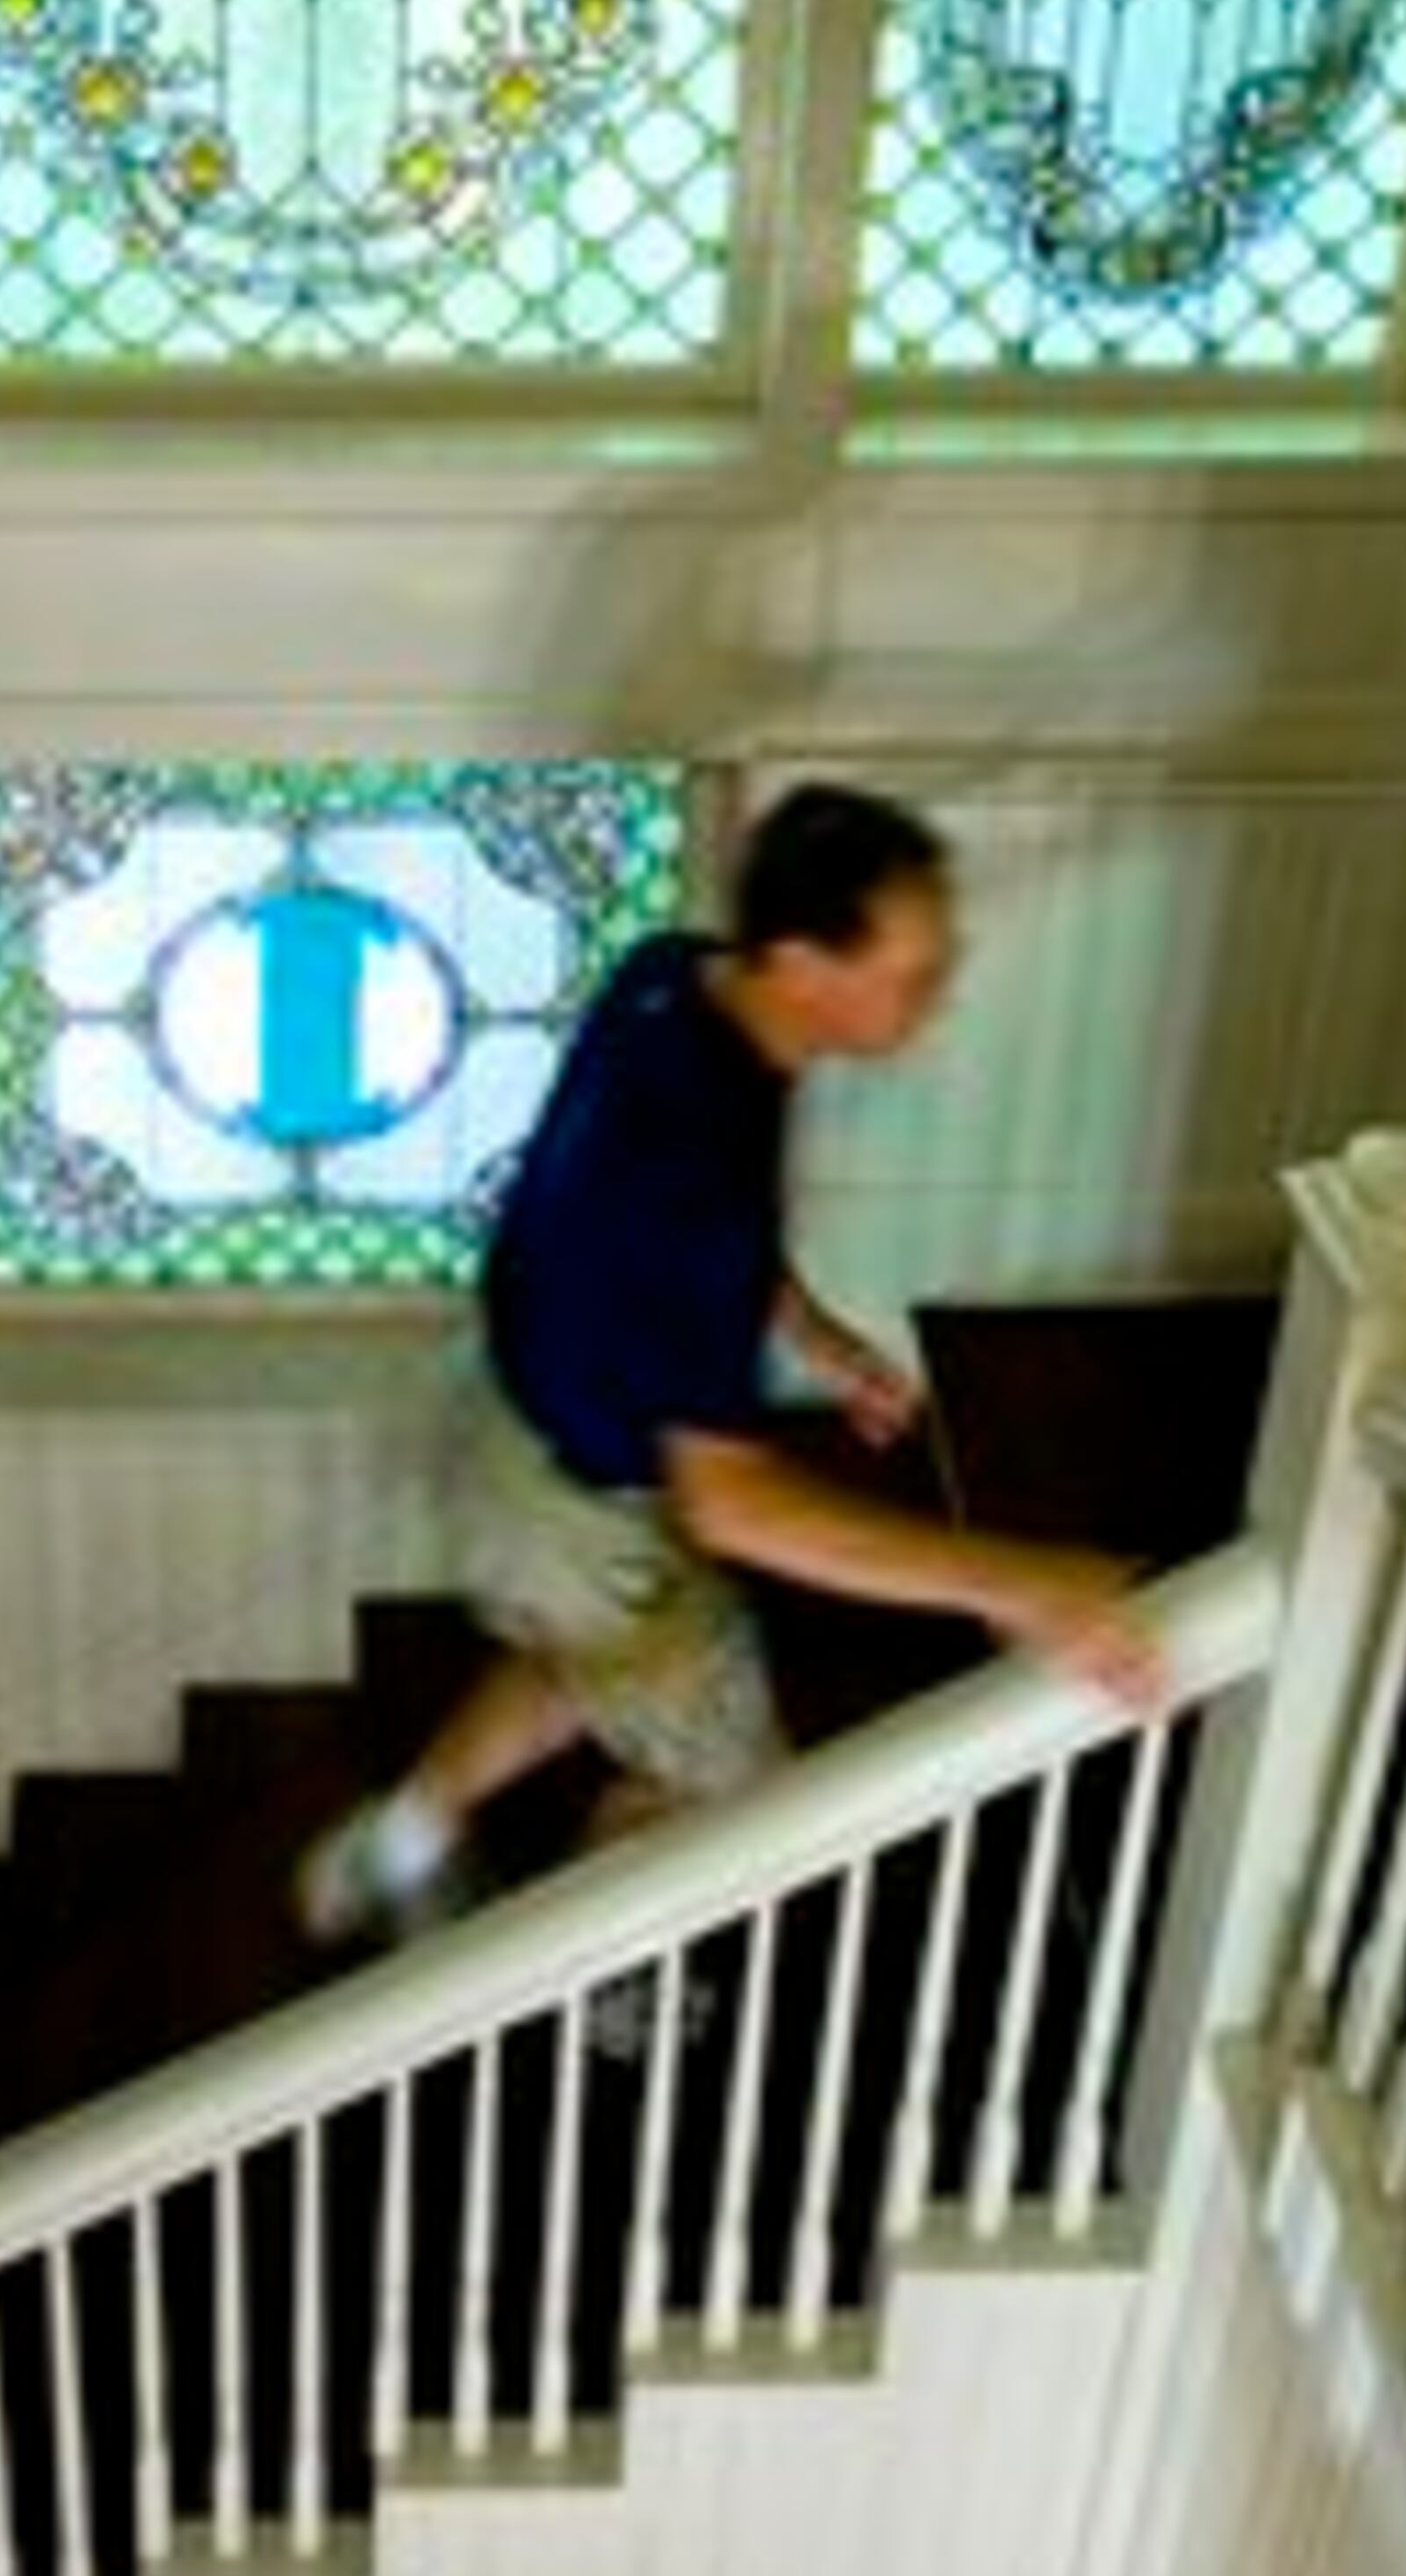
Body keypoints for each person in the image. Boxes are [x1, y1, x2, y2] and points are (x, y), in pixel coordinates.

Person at [294, 778, 1160, 1948]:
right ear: (803, 960)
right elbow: (735, 1503)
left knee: (588, 1661)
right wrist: (1020, 1579)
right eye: (914, 974)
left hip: (506, 1414)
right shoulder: (689, 1176)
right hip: (582, 1510)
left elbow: (715, 1233)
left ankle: (400, 1840)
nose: (937, 999)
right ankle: (601, 1970)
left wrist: (816, 1339)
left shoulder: (680, 979)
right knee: (743, 1810)